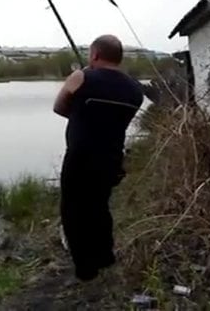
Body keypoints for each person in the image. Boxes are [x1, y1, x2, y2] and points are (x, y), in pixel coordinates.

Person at [53, 34, 144, 281]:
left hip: (80, 157)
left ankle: (85, 268)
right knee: (99, 205)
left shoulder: (81, 76)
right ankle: (105, 255)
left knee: (73, 210)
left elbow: (59, 107)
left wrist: (81, 108)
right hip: (112, 158)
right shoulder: (135, 90)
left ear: (94, 55)